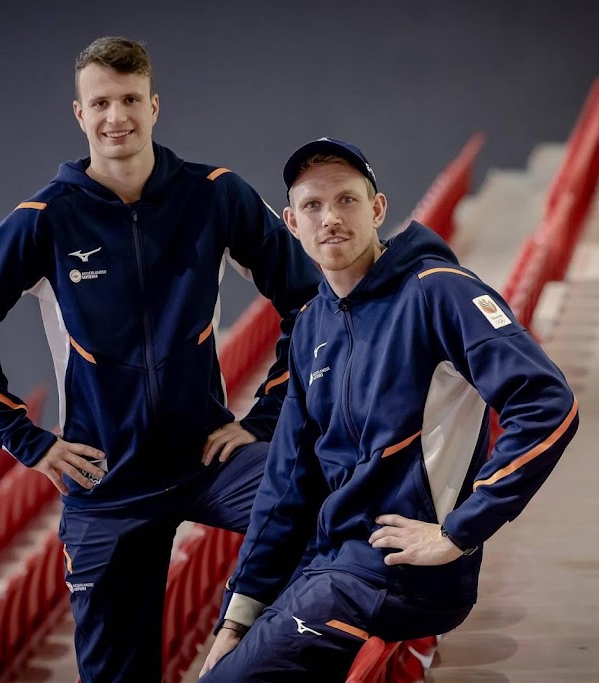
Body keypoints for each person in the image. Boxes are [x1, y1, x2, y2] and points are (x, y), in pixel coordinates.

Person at [0, 37, 320, 682]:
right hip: (105, 485)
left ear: (155, 105)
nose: (118, 116)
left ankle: (244, 654)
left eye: (131, 100)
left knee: (319, 503)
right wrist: (29, 442)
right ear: (79, 115)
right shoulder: (45, 220)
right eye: (102, 102)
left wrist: (264, 418)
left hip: (204, 459)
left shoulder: (213, 195)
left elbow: (309, 304)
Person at [199, 138, 579, 680]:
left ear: (377, 209)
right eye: (313, 206)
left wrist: (457, 532)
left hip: (402, 574)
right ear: (291, 223)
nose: (331, 218)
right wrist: (235, 620)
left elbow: (548, 405)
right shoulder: (311, 326)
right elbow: (286, 486)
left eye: (347, 201)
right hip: (335, 563)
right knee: (224, 663)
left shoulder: (438, 293)